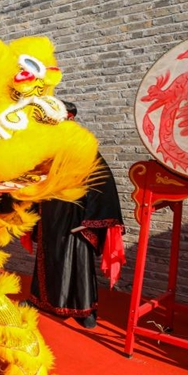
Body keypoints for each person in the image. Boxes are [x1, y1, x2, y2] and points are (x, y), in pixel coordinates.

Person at [25, 102, 125, 329]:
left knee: (77, 260)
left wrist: (90, 219)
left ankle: (85, 309)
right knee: (46, 257)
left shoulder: (84, 148)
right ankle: (40, 299)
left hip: (76, 216)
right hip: (48, 213)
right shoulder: (47, 149)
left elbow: (103, 182)